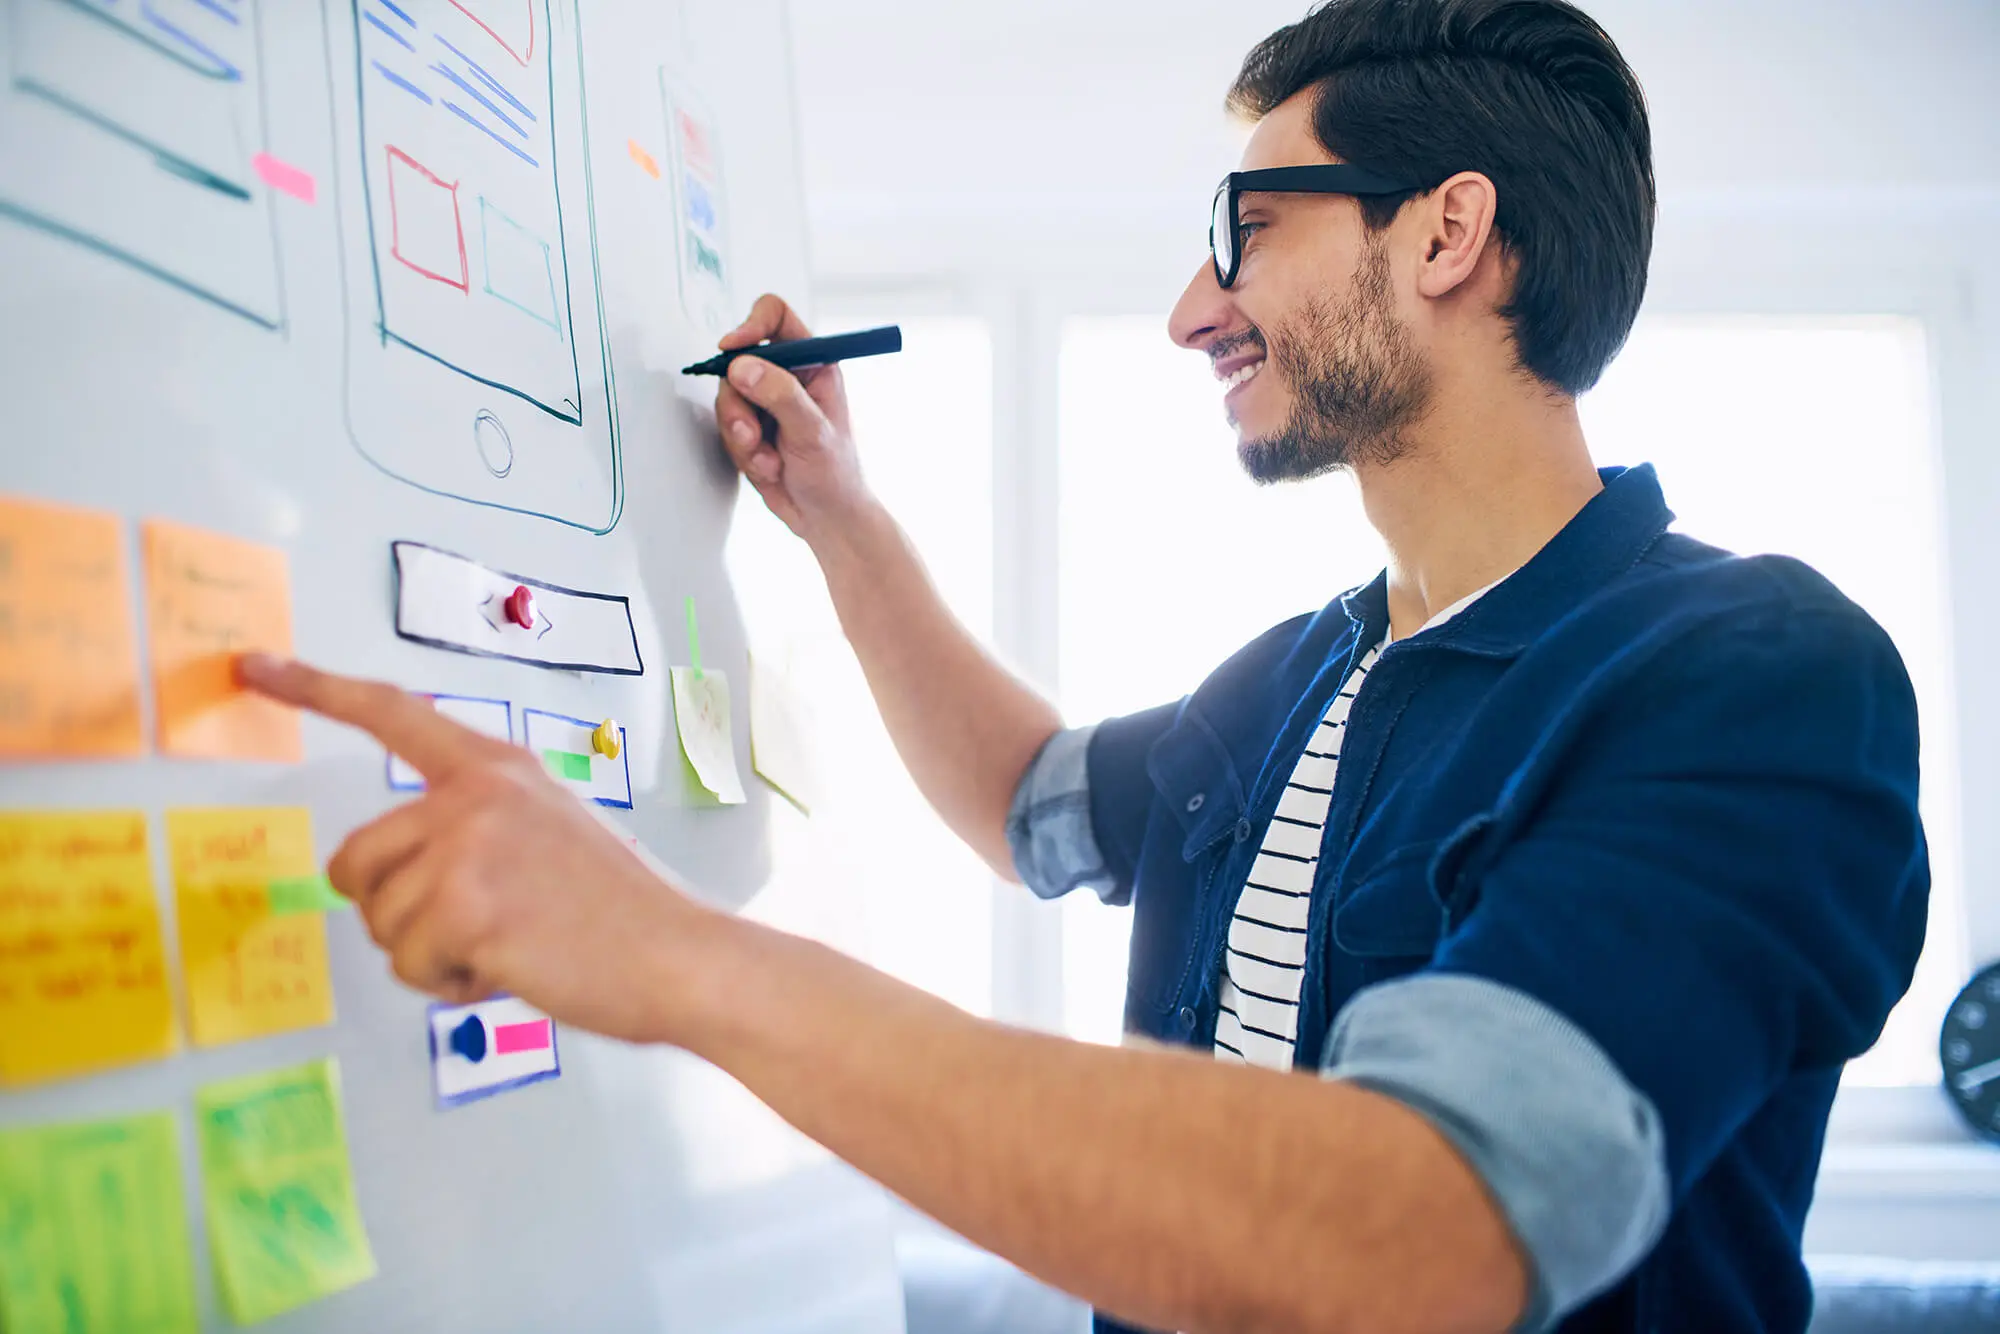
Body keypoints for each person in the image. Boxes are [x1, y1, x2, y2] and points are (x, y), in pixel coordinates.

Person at [239, 1, 1930, 1330]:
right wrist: (839, 515)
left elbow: (1425, 1231)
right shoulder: (1301, 676)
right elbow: (1033, 803)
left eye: (1246, 230)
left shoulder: (1757, 680)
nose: (1194, 309)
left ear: (1444, 235)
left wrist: (673, 954)